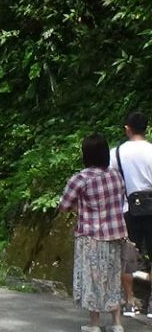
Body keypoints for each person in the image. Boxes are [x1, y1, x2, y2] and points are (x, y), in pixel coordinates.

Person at [60, 133, 126, 332]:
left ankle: (94, 324)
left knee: (93, 278)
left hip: (92, 236)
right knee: (113, 276)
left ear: (85, 155)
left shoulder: (80, 179)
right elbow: (120, 200)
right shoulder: (115, 175)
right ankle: (117, 323)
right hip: (115, 235)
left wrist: (81, 209)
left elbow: (64, 205)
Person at [109, 111, 152, 317]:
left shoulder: (116, 153)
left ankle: (129, 302)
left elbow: (109, 182)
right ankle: (151, 305)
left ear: (127, 128)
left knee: (127, 258)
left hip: (127, 210)